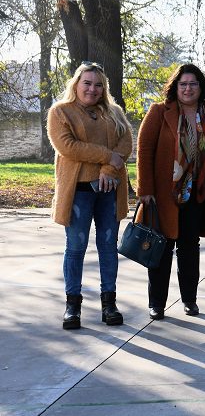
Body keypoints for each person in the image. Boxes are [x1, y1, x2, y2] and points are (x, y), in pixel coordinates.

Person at [47, 62, 133, 330]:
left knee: (108, 247)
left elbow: (125, 143)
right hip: (78, 193)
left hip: (109, 191)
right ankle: (73, 306)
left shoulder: (114, 112)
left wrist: (109, 169)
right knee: (75, 248)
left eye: (98, 85)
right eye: (87, 83)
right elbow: (68, 147)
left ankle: (109, 303)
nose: (92, 89)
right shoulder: (61, 112)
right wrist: (108, 156)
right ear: (76, 84)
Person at [136, 64, 205, 320]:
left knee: (189, 247)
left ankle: (189, 300)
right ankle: (157, 303)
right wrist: (145, 189)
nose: (188, 89)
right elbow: (144, 150)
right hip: (163, 194)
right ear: (175, 87)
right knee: (161, 249)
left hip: (198, 194)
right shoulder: (158, 112)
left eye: (193, 84)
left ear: (201, 88)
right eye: (183, 84)